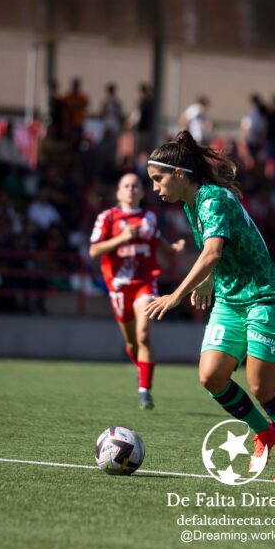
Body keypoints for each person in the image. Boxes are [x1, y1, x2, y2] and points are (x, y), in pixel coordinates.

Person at [143, 131, 275, 482]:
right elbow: (222, 248)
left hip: (264, 297)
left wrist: (177, 295)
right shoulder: (192, 204)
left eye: (158, 179)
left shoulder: (212, 200)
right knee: (211, 376)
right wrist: (209, 279)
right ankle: (265, 432)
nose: (155, 188)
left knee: (261, 387)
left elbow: (212, 253)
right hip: (229, 299)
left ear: (179, 174)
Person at [90, 173, 186, 409]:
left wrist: (173, 249)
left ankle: (145, 390)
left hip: (145, 281)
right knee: (132, 343)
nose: (131, 189)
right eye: (126, 186)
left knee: (143, 335)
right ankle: (141, 369)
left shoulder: (149, 217)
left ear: (142, 192)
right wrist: (121, 238)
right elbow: (94, 251)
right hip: (118, 285)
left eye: (135, 186)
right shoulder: (107, 217)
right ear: (118, 192)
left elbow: (158, 241)